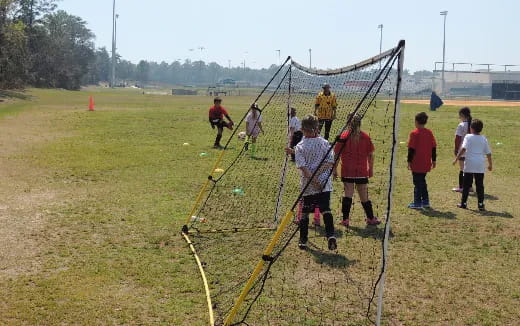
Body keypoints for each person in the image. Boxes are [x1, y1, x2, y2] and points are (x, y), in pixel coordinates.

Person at [285, 115, 337, 251]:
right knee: (326, 209)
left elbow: (303, 167)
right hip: (324, 183)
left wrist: (313, 180)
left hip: (308, 184)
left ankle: (303, 240)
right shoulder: (325, 142)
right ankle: (331, 235)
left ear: (302, 129)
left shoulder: (300, 146)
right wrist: (319, 180)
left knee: (305, 212)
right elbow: (330, 162)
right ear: (317, 127)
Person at [333, 113, 380, 227]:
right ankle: (370, 218)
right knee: (364, 195)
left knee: (348, 194)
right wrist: (371, 169)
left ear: (347, 123)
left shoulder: (343, 137)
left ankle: (345, 220)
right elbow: (371, 155)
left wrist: (334, 170)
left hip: (347, 171)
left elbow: (336, 156)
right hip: (361, 171)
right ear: (360, 123)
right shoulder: (365, 137)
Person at [453, 119, 492, 211]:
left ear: (471, 128)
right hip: (480, 164)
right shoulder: (484, 138)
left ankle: (464, 203)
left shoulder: (468, 136)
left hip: (469, 164)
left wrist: (456, 158)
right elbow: (488, 153)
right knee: (479, 185)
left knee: (466, 185)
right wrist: (490, 164)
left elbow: (463, 149)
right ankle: (481, 204)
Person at [407, 112, 437, 209]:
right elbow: (433, 147)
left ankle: (417, 203)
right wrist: (434, 160)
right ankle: (425, 201)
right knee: (422, 181)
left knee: (417, 183)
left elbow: (411, 149)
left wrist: (409, 161)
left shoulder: (414, 133)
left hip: (417, 163)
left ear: (416, 121)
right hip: (426, 162)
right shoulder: (429, 132)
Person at [453, 107, 472, 192]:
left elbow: (457, 138)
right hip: (471, 150)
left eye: (459, 116)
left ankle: (462, 187)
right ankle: (470, 187)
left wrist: (456, 149)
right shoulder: (472, 124)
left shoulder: (461, 125)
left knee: (462, 169)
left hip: (462, 150)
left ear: (462, 115)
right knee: (469, 169)